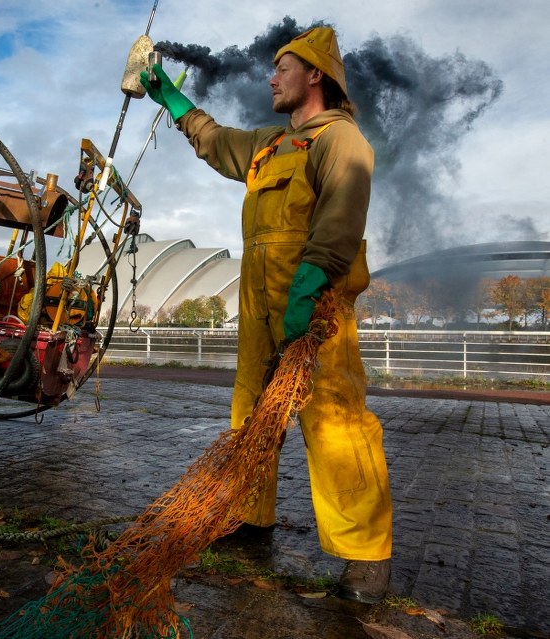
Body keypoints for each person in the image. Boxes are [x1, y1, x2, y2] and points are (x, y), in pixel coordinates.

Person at [141, 26, 393, 604]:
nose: (271, 77)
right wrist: (174, 102)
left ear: (315, 77)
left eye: (282, 68)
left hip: (315, 305)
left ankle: (365, 558)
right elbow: (215, 139)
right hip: (259, 309)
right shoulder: (271, 146)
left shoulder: (341, 140)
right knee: (251, 413)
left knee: (335, 423)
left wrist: (309, 286)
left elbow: (341, 216)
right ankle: (248, 518)